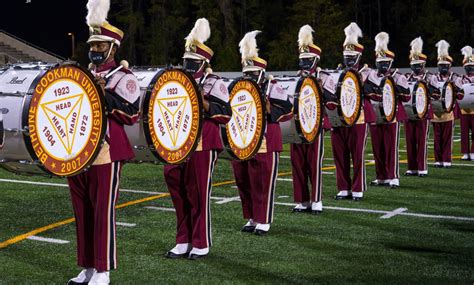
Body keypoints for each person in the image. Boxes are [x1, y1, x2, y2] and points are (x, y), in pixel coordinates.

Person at [67, 0, 140, 284]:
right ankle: (86, 266)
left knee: (101, 210)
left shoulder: (125, 77)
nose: (94, 50)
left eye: (100, 46)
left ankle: (103, 269)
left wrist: (101, 96)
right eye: (92, 45)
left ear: (113, 48)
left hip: (106, 151)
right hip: (77, 150)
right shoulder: (84, 74)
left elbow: (131, 113)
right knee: (81, 210)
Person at [164, 18, 232, 260]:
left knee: (198, 192)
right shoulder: (177, 81)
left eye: (193, 62)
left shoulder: (215, 82)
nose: (188, 65)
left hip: (203, 142)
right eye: (186, 61)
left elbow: (225, 114)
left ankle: (200, 242)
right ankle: (183, 239)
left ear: (204, 62)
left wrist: (201, 100)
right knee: (175, 184)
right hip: (177, 141)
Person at [232, 31, 293, 234]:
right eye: (246, 72)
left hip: (266, 139)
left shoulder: (272, 86)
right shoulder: (237, 86)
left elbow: (288, 109)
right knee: (243, 180)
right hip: (242, 140)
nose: (248, 76)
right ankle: (251, 217)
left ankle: (264, 219)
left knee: (263, 181)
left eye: (252, 73)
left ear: (261, 72)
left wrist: (268, 110)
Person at [332, 22, 376, 201]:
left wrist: (361, 83)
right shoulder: (337, 72)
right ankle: (343, 188)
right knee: (339, 154)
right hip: (339, 119)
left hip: (359, 117)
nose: (348, 60)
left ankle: (358, 188)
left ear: (359, 56)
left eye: (352, 57)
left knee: (357, 155)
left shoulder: (367, 73)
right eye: (346, 56)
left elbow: (377, 94)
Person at [365, 32, 410, 188]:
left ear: (390, 62)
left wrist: (392, 85)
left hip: (392, 115)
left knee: (391, 147)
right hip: (375, 115)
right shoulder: (369, 74)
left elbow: (406, 97)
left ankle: (393, 176)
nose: (382, 65)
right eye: (379, 62)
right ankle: (381, 176)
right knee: (377, 148)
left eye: (385, 62)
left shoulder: (398, 76)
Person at [291, 25, 325, 214]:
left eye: (308, 60)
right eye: (302, 60)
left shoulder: (323, 77)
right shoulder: (296, 78)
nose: (304, 64)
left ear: (316, 60)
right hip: (297, 125)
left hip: (315, 125)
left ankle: (317, 199)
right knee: (297, 163)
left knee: (314, 163)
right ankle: (302, 200)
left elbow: (332, 100)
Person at [430, 40, 464, 168]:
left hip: (449, 112)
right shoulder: (433, 77)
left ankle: (447, 160)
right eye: (441, 65)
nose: (443, 68)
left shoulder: (455, 77)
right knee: (437, 138)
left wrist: (453, 90)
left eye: (445, 65)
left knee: (447, 138)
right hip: (436, 112)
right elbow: (430, 92)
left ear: (449, 66)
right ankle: (438, 160)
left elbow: (461, 95)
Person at [404, 37, 434, 177]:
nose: (416, 67)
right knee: (410, 140)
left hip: (424, 112)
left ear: (423, 64)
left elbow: (438, 93)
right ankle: (412, 167)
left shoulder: (430, 77)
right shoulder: (406, 77)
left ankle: (422, 167)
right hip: (409, 112)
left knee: (421, 140)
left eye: (419, 65)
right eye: (414, 64)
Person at [459, 46, 474, 160]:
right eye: (468, 66)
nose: (470, 68)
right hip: (463, 110)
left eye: (472, 66)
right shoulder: (461, 79)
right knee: (464, 132)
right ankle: (465, 152)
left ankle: (473, 152)